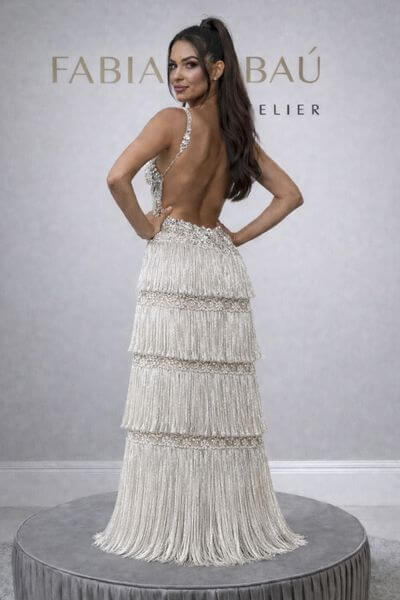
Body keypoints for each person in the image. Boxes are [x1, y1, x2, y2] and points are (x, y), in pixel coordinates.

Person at [92, 16, 307, 567]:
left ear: (217, 68)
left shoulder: (172, 121)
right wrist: (235, 237)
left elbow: (116, 177)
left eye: (189, 64)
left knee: (170, 401)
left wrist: (145, 229)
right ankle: (219, 521)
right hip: (220, 268)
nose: (177, 76)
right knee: (217, 407)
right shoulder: (237, 138)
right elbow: (290, 195)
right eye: (171, 65)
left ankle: (170, 522)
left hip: (176, 266)